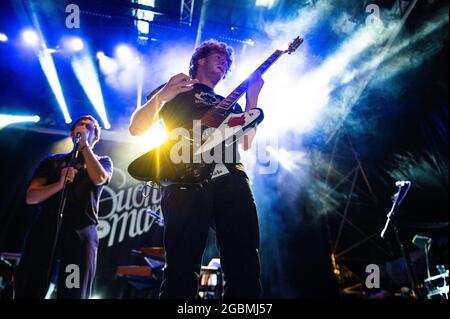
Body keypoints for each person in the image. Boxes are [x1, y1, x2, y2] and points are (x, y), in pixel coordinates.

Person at [129, 39, 264, 298]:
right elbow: (137, 128)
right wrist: (163, 94)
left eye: (227, 61)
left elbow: (246, 142)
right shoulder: (176, 89)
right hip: (184, 176)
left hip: (231, 178)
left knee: (244, 260)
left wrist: (254, 96)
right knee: (182, 264)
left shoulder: (231, 103)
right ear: (199, 60)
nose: (224, 61)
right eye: (218, 55)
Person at [14, 115, 113, 299]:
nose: (84, 128)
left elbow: (100, 178)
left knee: (73, 289)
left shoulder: (103, 161)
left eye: (89, 127)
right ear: (71, 132)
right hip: (46, 230)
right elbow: (31, 197)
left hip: (79, 234)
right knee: (31, 285)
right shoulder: (52, 162)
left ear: (95, 137)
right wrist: (59, 184)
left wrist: (83, 146)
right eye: (80, 125)